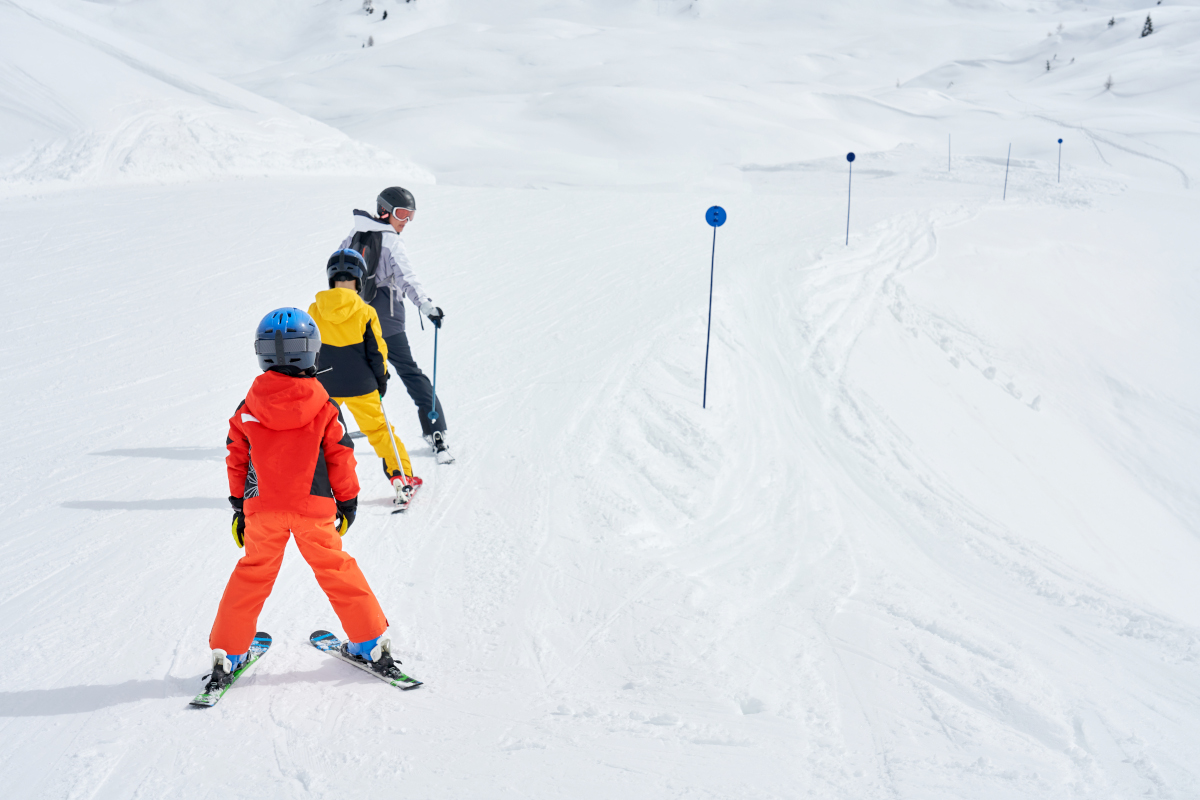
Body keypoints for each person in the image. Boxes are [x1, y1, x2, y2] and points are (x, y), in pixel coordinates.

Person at [205, 307, 400, 692]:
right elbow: (341, 457)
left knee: (252, 574)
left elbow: (236, 459)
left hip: (263, 509)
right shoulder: (325, 406)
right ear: (312, 350)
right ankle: (370, 644)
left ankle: (229, 652)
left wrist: (239, 506)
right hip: (313, 508)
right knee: (336, 569)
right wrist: (348, 503)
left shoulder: (247, 408)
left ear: (262, 354)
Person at [339, 186, 454, 464]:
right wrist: (426, 305)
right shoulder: (391, 241)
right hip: (386, 322)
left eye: (410, 215)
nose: (406, 221)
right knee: (409, 372)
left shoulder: (355, 233)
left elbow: (337, 267)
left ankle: (327, 424)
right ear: (384, 211)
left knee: (344, 372)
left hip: (354, 319)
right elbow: (407, 277)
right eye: (402, 213)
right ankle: (435, 429)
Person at [309, 248, 421, 495]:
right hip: (361, 384)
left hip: (326, 386)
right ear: (359, 279)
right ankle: (401, 477)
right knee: (380, 431)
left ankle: (310, 486)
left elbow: (310, 348)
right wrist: (381, 379)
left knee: (318, 435)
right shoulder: (365, 311)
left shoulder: (314, 310)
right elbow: (377, 351)